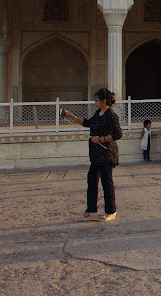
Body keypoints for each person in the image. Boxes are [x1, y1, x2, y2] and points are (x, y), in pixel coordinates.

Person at [63, 88, 123, 222]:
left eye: (97, 99)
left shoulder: (111, 115)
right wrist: (73, 118)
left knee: (106, 182)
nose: (95, 101)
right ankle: (91, 209)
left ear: (104, 101)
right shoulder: (98, 113)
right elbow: (88, 123)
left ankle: (111, 211)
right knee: (92, 180)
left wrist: (101, 139)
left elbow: (118, 134)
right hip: (96, 153)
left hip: (106, 152)